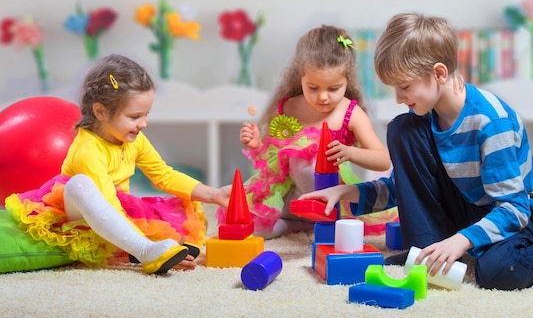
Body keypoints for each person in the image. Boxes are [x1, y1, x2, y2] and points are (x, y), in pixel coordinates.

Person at [300, 13, 533, 290]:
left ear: (439, 73)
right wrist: (346, 191)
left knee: (499, 273)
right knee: (402, 128)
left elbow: (515, 209)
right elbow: (408, 189)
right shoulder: (423, 120)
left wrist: (461, 241)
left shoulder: (489, 121)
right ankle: (427, 248)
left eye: (405, 86)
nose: (399, 97)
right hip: (463, 203)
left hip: (511, 212)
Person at [5, 54, 229, 274]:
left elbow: (164, 174)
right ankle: (144, 251)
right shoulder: (88, 150)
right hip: (78, 216)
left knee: (169, 216)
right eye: (134, 117)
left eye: (146, 114)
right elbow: (107, 201)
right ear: (100, 111)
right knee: (79, 184)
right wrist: (145, 242)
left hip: (114, 213)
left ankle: (142, 249)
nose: (143, 123)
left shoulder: (134, 140)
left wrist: (213, 194)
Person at [218, 25, 396, 239]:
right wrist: (257, 144)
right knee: (250, 225)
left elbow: (383, 160)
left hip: (326, 197)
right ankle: (293, 224)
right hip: (289, 196)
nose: (323, 97)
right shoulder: (288, 106)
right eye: (313, 88)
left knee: (307, 160)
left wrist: (349, 152)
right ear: (300, 76)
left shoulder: (351, 112)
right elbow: (274, 158)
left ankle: (310, 219)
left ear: (347, 81)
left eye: (333, 89)